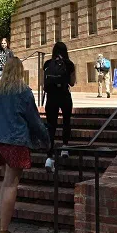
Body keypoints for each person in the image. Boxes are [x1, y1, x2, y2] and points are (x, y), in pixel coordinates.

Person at [0, 56, 49, 233]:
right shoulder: (23, 92)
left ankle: (1, 221)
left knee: (5, 182)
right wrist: (46, 140)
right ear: (19, 71)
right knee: (11, 185)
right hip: (15, 142)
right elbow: (34, 120)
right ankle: (3, 232)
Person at [42, 42, 76, 171]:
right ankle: (65, 148)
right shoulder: (69, 64)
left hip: (51, 97)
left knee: (51, 126)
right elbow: (72, 83)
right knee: (66, 121)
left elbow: (44, 83)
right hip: (64, 96)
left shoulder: (47, 64)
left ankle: (49, 158)